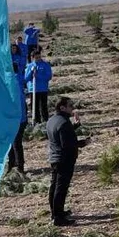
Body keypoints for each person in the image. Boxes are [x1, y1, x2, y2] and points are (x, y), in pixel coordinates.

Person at [47, 97, 87, 226]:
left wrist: (76, 125)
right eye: (70, 105)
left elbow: (61, 134)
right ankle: (58, 217)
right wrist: (83, 143)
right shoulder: (64, 122)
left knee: (54, 186)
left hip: (54, 158)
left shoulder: (52, 120)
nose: (72, 108)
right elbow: (67, 144)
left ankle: (55, 212)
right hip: (64, 159)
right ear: (62, 107)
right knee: (61, 188)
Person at [8, 59, 27, 174]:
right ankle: (16, 165)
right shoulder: (16, 80)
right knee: (16, 143)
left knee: (14, 143)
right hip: (19, 118)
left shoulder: (11, 82)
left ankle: (17, 166)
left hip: (15, 119)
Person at [25, 51, 53, 123]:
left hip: (42, 89)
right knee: (34, 106)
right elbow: (26, 79)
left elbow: (48, 76)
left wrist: (37, 75)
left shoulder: (45, 65)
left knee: (43, 106)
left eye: (39, 57)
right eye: (36, 58)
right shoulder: (29, 66)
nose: (38, 59)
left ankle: (45, 121)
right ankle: (37, 121)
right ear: (32, 58)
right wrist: (31, 73)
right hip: (33, 89)